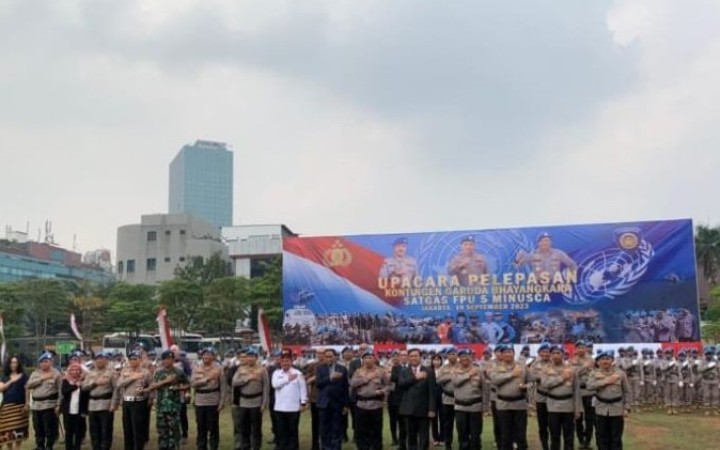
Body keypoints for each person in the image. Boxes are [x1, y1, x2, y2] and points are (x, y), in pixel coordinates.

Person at [586, 350, 629, 450]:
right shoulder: (594, 373)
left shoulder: (620, 374)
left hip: (617, 408)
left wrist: (626, 407)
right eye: (603, 359)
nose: (605, 361)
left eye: (608, 359)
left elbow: (626, 391)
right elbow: (589, 386)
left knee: (616, 437)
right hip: (601, 408)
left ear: (612, 360)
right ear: (599, 362)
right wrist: (605, 382)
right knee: (602, 436)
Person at [489, 344, 529, 450]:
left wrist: (526, 386)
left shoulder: (522, 366)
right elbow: (494, 380)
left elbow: (531, 381)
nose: (508, 354)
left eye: (510, 351)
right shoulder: (495, 367)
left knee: (521, 435)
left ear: (514, 353)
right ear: (501, 354)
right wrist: (511, 374)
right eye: (505, 352)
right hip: (503, 405)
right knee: (505, 435)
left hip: (519, 404)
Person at [147, 349, 189, 450]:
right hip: (161, 406)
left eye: (170, 359)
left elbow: (187, 384)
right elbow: (152, 386)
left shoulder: (178, 372)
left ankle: (175, 446)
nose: (167, 361)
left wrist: (179, 388)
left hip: (173, 406)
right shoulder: (158, 373)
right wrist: (165, 382)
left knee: (174, 429)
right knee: (162, 430)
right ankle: (163, 447)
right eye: (165, 359)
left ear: (173, 360)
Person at [540, 345, 580, 450]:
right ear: (550, 355)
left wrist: (577, 409)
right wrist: (561, 378)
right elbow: (544, 384)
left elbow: (576, 390)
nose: (556, 355)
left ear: (563, 354)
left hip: (568, 405)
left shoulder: (571, 370)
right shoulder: (546, 369)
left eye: (558, 353)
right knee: (554, 435)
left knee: (569, 435)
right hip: (553, 405)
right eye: (553, 353)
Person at [397, 348, 437, 450]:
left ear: (420, 357)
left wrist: (431, 409)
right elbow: (401, 384)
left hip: (423, 410)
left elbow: (432, 392)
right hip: (408, 409)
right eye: (411, 356)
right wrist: (415, 378)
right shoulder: (403, 371)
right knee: (411, 437)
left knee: (424, 437)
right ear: (408, 358)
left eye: (416, 356)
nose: (413, 358)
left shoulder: (429, 371)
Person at [350, 350, 390, 450]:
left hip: (376, 405)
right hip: (361, 405)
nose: (368, 360)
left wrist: (382, 391)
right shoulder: (358, 372)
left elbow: (389, 385)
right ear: (362, 360)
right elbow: (353, 384)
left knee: (376, 431)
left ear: (374, 359)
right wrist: (366, 378)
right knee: (361, 431)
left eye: (370, 357)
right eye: (365, 358)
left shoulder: (381, 371)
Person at [232, 348, 269, 450]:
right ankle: (245, 446)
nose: (250, 359)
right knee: (244, 427)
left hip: (257, 402)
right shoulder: (240, 369)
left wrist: (264, 404)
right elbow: (234, 383)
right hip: (243, 402)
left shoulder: (262, 370)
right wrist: (247, 378)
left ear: (256, 358)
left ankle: (256, 446)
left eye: (252, 356)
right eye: (248, 356)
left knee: (256, 428)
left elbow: (266, 387)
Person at [271, 351, 308, 450]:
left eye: (287, 361)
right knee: (281, 431)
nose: (285, 363)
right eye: (283, 361)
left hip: (293, 408)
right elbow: (275, 385)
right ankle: (281, 446)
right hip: (279, 408)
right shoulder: (276, 373)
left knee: (293, 431)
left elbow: (302, 389)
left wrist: (303, 403)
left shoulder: (298, 373)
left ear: (291, 362)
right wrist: (288, 379)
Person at [116, 349, 153, 450]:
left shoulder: (146, 372)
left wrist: (148, 395)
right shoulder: (125, 371)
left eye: (135, 359)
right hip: (127, 402)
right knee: (127, 428)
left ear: (140, 360)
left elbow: (152, 386)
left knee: (138, 428)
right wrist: (132, 377)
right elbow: (119, 384)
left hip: (139, 402)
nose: (132, 361)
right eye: (131, 359)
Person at [26, 351, 63, 450]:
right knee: (38, 427)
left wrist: (59, 405)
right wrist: (41, 379)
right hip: (36, 405)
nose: (44, 363)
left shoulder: (56, 374)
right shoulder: (35, 373)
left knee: (49, 428)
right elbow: (28, 385)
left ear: (51, 362)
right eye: (42, 362)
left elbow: (60, 391)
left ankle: (49, 446)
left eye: (46, 361)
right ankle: (40, 445)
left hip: (49, 405)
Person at [191, 347, 226, 450]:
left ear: (213, 357)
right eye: (204, 354)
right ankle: (201, 446)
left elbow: (223, 386)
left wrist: (222, 401)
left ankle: (214, 446)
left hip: (213, 400)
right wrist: (206, 379)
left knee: (213, 427)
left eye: (209, 354)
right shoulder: (197, 367)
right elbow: (193, 383)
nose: (206, 356)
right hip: (200, 401)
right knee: (201, 426)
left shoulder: (218, 368)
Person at [82, 351, 117, 450]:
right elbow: (84, 387)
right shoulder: (90, 373)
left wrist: (114, 403)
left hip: (106, 403)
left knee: (106, 430)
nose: (100, 361)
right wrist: (95, 383)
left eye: (102, 359)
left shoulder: (111, 373)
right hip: (93, 405)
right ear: (94, 361)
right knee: (94, 430)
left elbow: (116, 389)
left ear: (106, 360)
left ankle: (105, 447)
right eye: (97, 359)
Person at [316, 348, 349, 450]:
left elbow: (345, 388)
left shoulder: (342, 369)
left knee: (336, 427)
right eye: (327, 357)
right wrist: (330, 377)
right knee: (324, 428)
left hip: (337, 403)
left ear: (335, 357)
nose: (329, 358)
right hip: (324, 403)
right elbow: (319, 384)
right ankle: (325, 447)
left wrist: (346, 405)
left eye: (331, 356)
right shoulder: (320, 368)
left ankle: (335, 447)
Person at [452, 348, 484, 450]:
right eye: (462, 356)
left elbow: (485, 388)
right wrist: (468, 375)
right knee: (462, 435)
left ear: (471, 357)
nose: (465, 358)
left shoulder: (479, 370)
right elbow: (456, 382)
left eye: (467, 356)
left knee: (475, 434)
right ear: (459, 358)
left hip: (475, 406)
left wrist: (486, 405)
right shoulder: (455, 370)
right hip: (460, 407)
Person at [568, 341, 595, 449]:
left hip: (590, 392)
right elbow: (573, 374)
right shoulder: (572, 361)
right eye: (579, 347)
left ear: (586, 348)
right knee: (578, 417)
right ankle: (580, 439)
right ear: (576, 349)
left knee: (590, 418)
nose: (581, 349)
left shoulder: (592, 360)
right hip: (578, 392)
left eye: (583, 347)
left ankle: (587, 441)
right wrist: (585, 367)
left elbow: (595, 374)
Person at [0, 355, 30, 450]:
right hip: (7, 408)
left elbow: (27, 390)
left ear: (18, 364)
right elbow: (1, 388)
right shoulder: (4, 376)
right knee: (7, 432)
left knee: (19, 432)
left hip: (20, 407)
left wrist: (27, 404)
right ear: (8, 364)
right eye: (12, 362)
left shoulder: (24, 376)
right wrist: (11, 381)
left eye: (15, 362)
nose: (13, 364)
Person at [60, 362, 89, 450]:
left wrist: (85, 411)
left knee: (78, 432)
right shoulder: (65, 381)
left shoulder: (83, 382)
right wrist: (75, 386)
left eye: (77, 370)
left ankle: (77, 447)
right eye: (72, 370)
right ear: (69, 371)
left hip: (79, 411)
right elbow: (65, 392)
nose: (75, 371)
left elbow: (85, 397)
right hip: (68, 411)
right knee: (69, 432)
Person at [529, 343, 552, 450]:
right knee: (542, 424)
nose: (545, 354)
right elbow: (530, 377)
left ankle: (554, 444)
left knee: (554, 424)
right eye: (543, 352)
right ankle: (544, 445)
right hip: (541, 397)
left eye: (547, 351)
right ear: (539, 353)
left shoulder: (555, 362)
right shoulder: (535, 364)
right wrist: (541, 375)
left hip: (554, 398)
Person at [434, 348, 458, 450]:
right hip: (447, 399)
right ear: (447, 356)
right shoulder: (443, 368)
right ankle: (447, 443)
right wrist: (450, 376)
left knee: (462, 423)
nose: (452, 356)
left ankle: (464, 442)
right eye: (450, 354)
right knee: (447, 423)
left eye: (453, 354)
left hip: (460, 399)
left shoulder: (461, 366)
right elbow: (438, 380)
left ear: (456, 355)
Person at [305, 349, 326, 450]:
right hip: (315, 398)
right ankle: (315, 445)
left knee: (327, 423)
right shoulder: (313, 365)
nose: (320, 355)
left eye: (322, 353)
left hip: (328, 398)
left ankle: (326, 444)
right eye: (319, 353)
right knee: (315, 423)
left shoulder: (331, 365)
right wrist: (316, 377)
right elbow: (307, 380)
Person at [389, 350, 409, 449]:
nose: (403, 357)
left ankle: (411, 443)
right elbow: (393, 378)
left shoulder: (412, 367)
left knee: (410, 423)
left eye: (405, 355)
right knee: (401, 423)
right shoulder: (396, 368)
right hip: (398, 400)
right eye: (402, 355)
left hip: (411, 399)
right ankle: (402, 444)